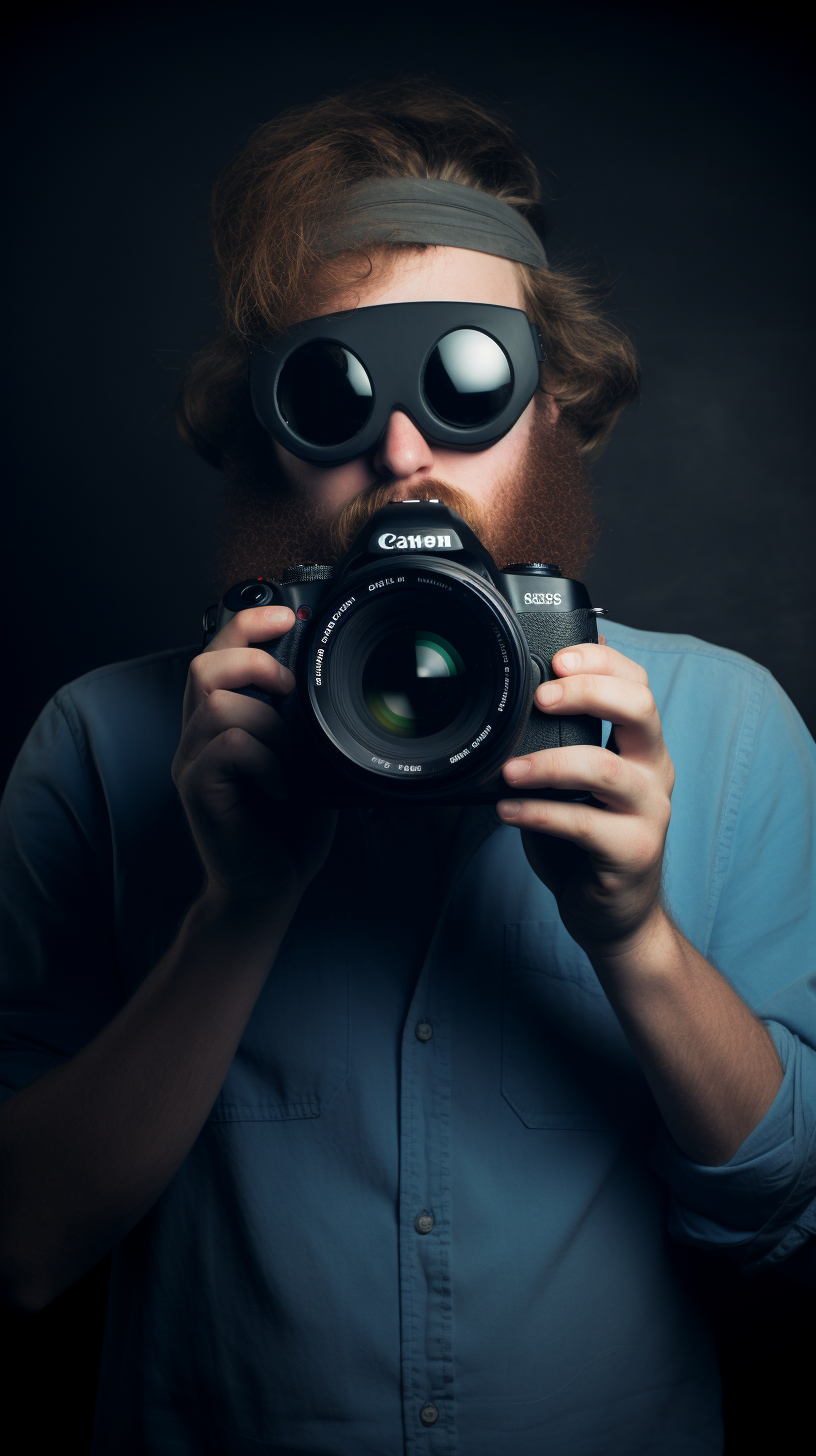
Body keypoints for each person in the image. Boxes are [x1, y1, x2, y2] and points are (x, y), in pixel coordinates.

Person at [0, 80, 813, 1456]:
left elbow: (787, 1231)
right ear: (264, 434)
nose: (402, 447)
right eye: (330, 390)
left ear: (557, 408)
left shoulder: (727, 729)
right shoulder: (103, 746)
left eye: (472, 379)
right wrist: (235, 910)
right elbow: (22, 1247)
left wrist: (638, 939)